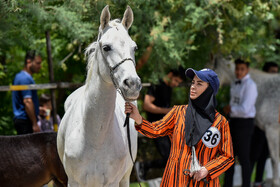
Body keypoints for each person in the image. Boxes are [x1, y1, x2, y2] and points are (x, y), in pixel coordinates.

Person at [125, 68, 234, 186]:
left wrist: (207, 169)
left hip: (203, 183)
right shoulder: (178, 112)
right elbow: (155, 130)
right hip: (173, 180)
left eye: (199, 83)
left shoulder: (220, 123)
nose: (193, 86)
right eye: (193, 82)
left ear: (209, 89)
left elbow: (227, 156)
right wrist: (138, 118)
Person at [135, 68, 185, 180]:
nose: (176, 84)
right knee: (169, 158)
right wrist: (165, 111)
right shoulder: (157, 84)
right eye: (176, 81)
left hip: (168, 126)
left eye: (178, 83)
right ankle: (144, 166)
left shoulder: (169, 88)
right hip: (156, 126)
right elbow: (146, 105)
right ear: (171, 74)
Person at [223, 59, 258, 187]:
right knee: (229, 157)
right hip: (233, 122)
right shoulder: (234, 83)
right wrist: (230, 110)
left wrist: (230, 109)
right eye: (237, 69)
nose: (238, 72)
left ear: (247, 70)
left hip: (245, 124)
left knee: (244, 159)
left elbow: (245, 109)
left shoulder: (250, 85)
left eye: (242, 69)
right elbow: (234, 103)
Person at [250, 62, 279, 187]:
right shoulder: (257, 87)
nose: (274, 75)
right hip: (258, 126)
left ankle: (258, 182)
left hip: (272, 127)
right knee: (253, 155)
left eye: (276, 72)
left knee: (265, 156)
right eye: (272, 72)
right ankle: (248, 181)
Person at [12, 50, 42, 134]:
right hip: (25, 121)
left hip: (24, 120)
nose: (40, 66)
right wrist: (35, 124)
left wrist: (38, 110)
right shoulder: (24, 79)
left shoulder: (21, 77)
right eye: (38, 63)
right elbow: (27, 102)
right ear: (29, 61)